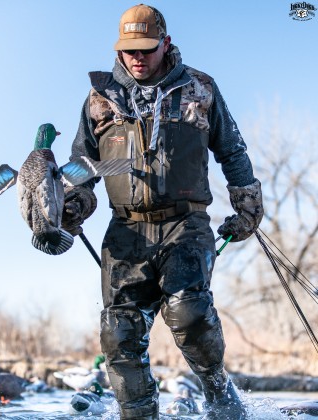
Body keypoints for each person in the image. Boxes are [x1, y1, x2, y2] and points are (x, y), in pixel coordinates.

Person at [61, 4, 264, 419]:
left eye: (147, 48)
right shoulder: (99, 100)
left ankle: (218, 391)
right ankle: (139, 414)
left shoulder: (200, 88)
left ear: (165, 44)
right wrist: (73, 204)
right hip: (126, 230)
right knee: (119, 333)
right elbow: (82, 166)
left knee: (188, 313)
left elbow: (232, 150)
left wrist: (247, 204)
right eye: (128, 49)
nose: (137, 57)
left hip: (185, 223)